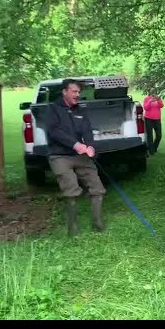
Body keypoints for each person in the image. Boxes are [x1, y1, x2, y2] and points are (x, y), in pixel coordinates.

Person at [45, 79, 107, 237]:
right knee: (71, 190)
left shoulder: (80, 110)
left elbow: (87, 131)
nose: (77, 95)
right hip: (59, 156)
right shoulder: (53, 109)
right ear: (65, 92)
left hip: (80, 156)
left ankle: (97, 224)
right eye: (74, 91)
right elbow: (54, 132)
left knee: (97, 188)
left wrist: (91, 147)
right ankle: (73, 229)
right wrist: (75, 145)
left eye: (79, 92)